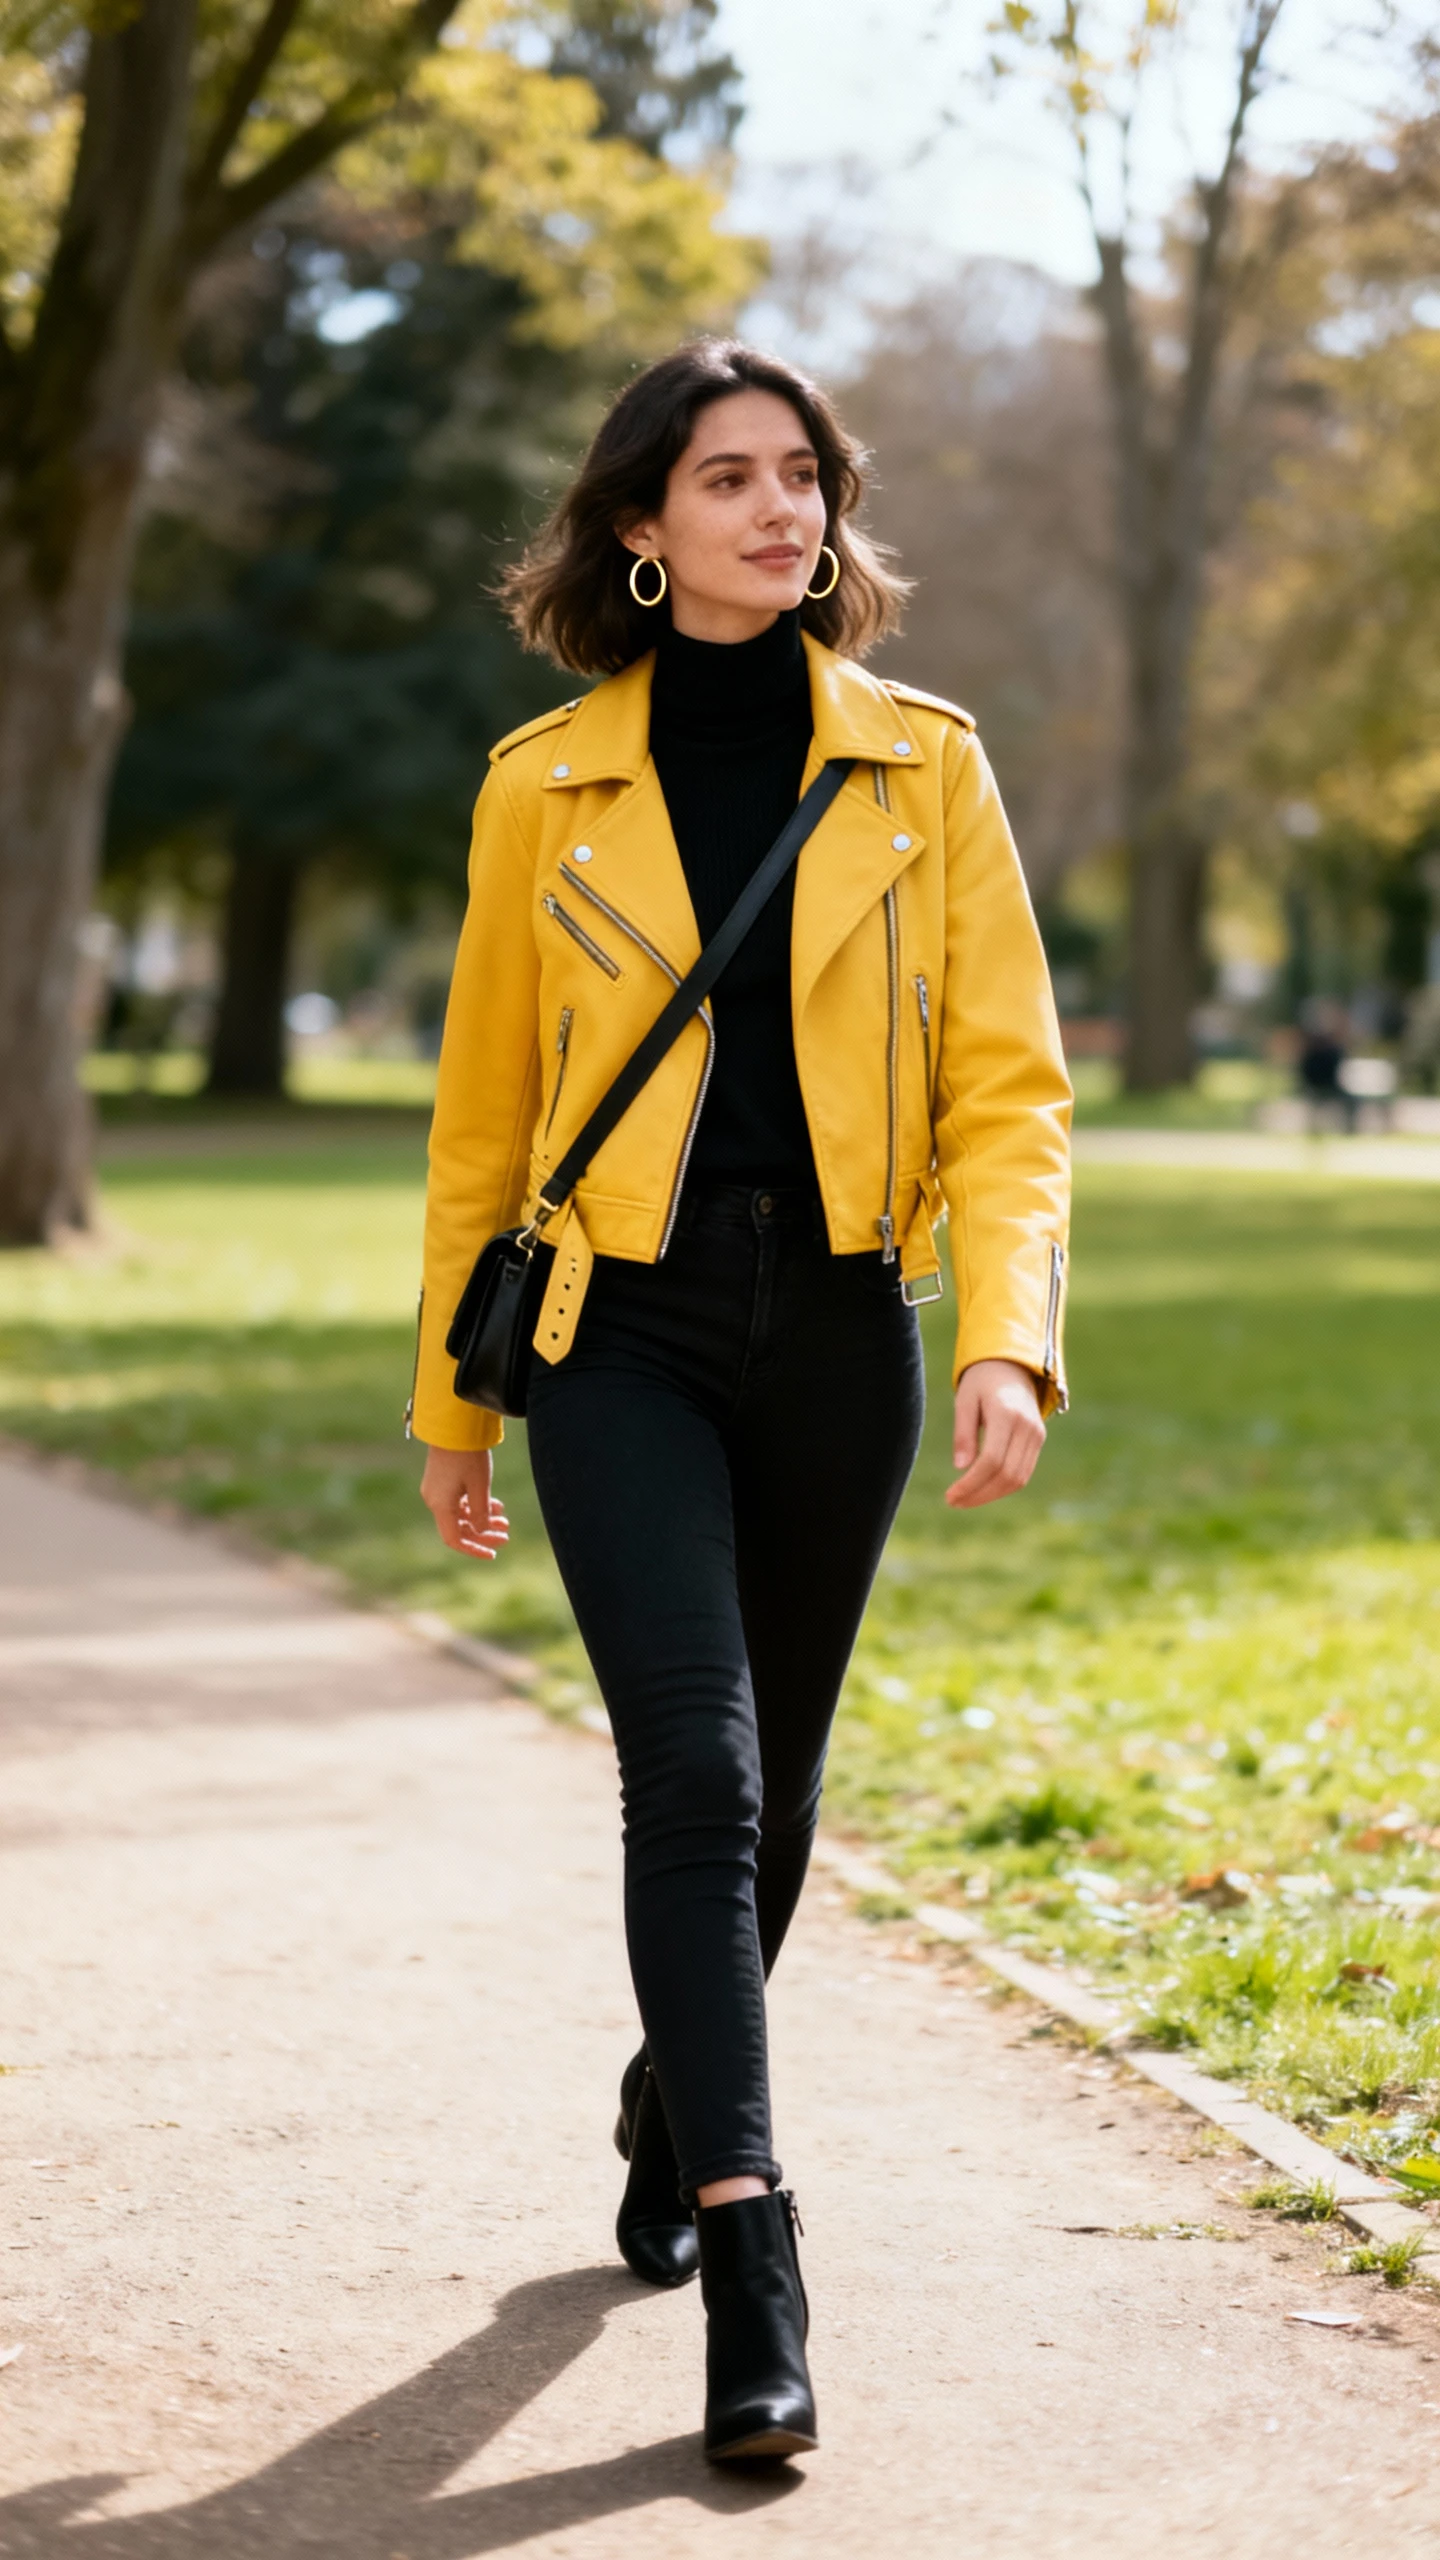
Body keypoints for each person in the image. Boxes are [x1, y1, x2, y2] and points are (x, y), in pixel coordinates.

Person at [410, 340, 1072, 2464]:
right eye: (729, 479)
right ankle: (754, 2249)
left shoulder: (924, 768)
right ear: (641, 524)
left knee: (772, 1797)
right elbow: (483, 1115)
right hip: (619, 1331)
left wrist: (1008, 1328)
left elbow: (1011, 1092)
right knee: (691, 1772)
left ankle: (670, 2095)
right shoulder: (543, 784)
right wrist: (451, 1400)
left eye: (806, 476)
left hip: (844, 1333)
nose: (782, 511)